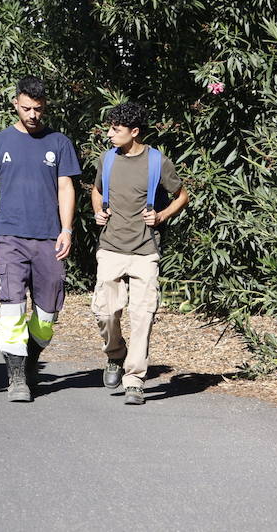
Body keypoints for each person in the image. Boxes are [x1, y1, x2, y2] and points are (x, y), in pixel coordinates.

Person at [0, 75, 80, 402]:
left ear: (44, 106)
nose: (32, 114)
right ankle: (16, 377)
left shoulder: (59, 143)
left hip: (49, 237)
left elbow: (66, 187)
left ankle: (31, 356)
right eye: (26, 108)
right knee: (12, 307)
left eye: (38, 109)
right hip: (10, 236)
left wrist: (66, 229)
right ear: (15, 105)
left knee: (47, 314)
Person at [90, 102, 189, 405]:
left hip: (145, 250)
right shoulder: (107, 160)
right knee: (105, 312)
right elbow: (96, 191)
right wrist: (98, 211)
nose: (109, 134)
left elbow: (182, 195)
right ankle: (115, 355)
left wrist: (161, 216)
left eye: (115, 130)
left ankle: (135, 380)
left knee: (143, 314)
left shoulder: (158, 162)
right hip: (111, 247)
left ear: (134, 132)